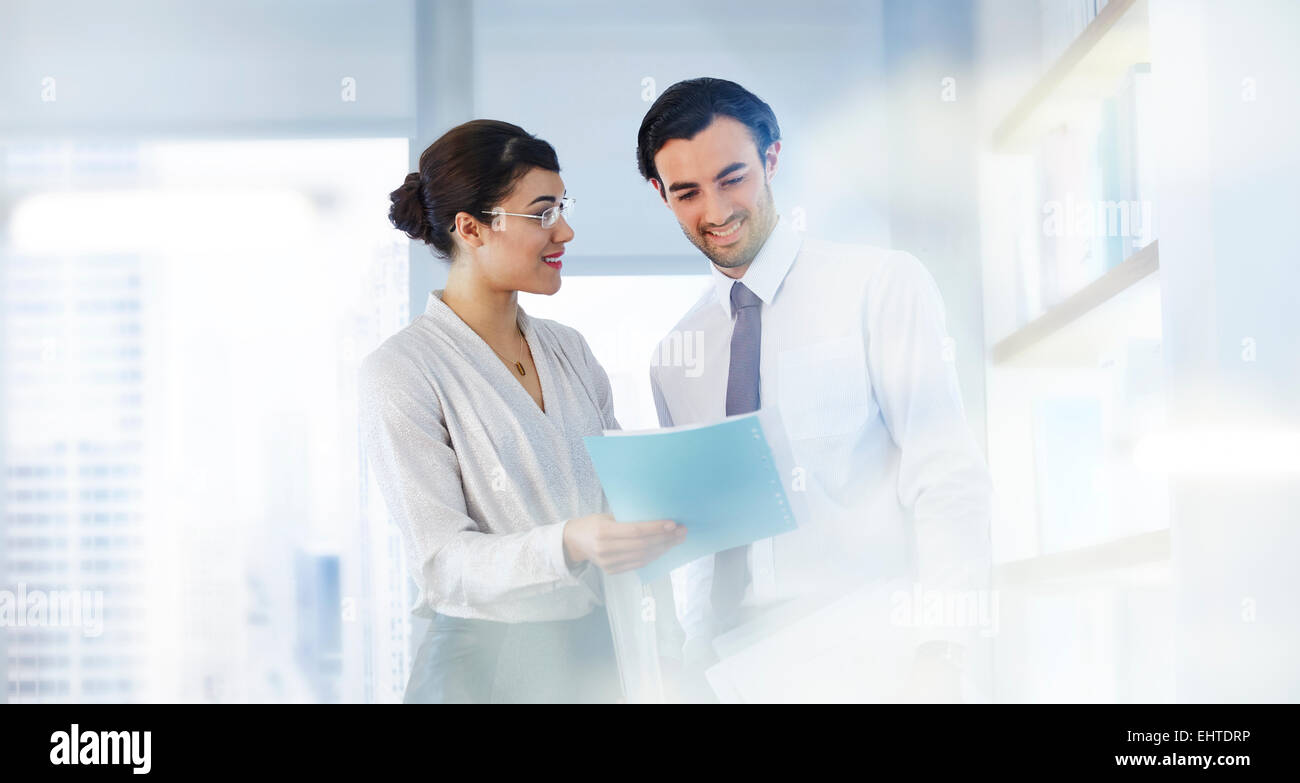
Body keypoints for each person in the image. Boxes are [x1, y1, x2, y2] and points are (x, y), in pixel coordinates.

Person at [638, 78, 993, 702]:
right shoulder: (675, 358)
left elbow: (947, 478)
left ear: (772, 159)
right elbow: (704, 540)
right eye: (687, 192)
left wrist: (942, 653)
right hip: (729, 671)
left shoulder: (880, 284)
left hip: (874, 658)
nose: (716, 211)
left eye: (733, 178)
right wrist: (690, 668)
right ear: (660, 195)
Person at [362, 119, 684, 703]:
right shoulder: (403, 371)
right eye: (541, 213)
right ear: (471, 229)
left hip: (593, 657)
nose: (564, 230)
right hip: (483, 669)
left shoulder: (570, 351)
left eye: (561, 207)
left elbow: (619, 499)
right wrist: (567, 542)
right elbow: (442, 563)